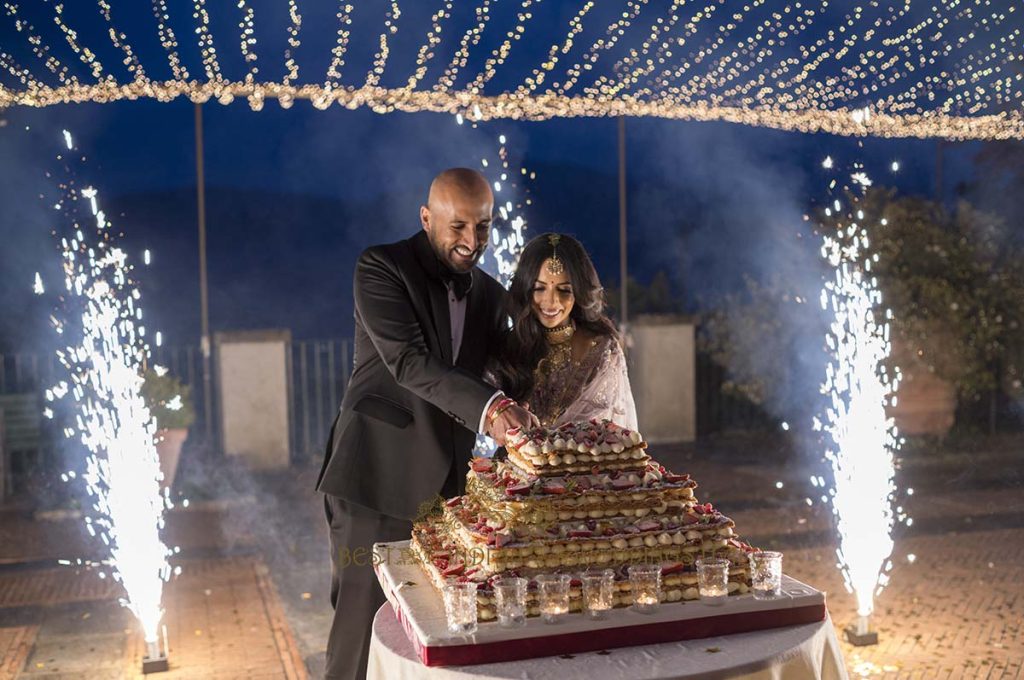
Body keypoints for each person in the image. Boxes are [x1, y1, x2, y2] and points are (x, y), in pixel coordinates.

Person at [316, 168, 536, 680]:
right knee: (362, 631)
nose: (471, 241)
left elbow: (513, 369)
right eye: (458, 226)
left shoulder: (487, 292)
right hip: (375, 478)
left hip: (447, 493)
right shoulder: (381, 267)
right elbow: (409, 363)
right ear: (426, 217)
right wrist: (496, 411)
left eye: (483, 227)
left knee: (432, 634)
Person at [490, 232, 637, 430]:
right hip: (514, 460)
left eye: (564, 290)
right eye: (539, 288)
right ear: (525, 288)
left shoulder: (601, 348)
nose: (551, 302)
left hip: (584, 459)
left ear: (579, 292)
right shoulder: (509, 345)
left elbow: (610, 431)